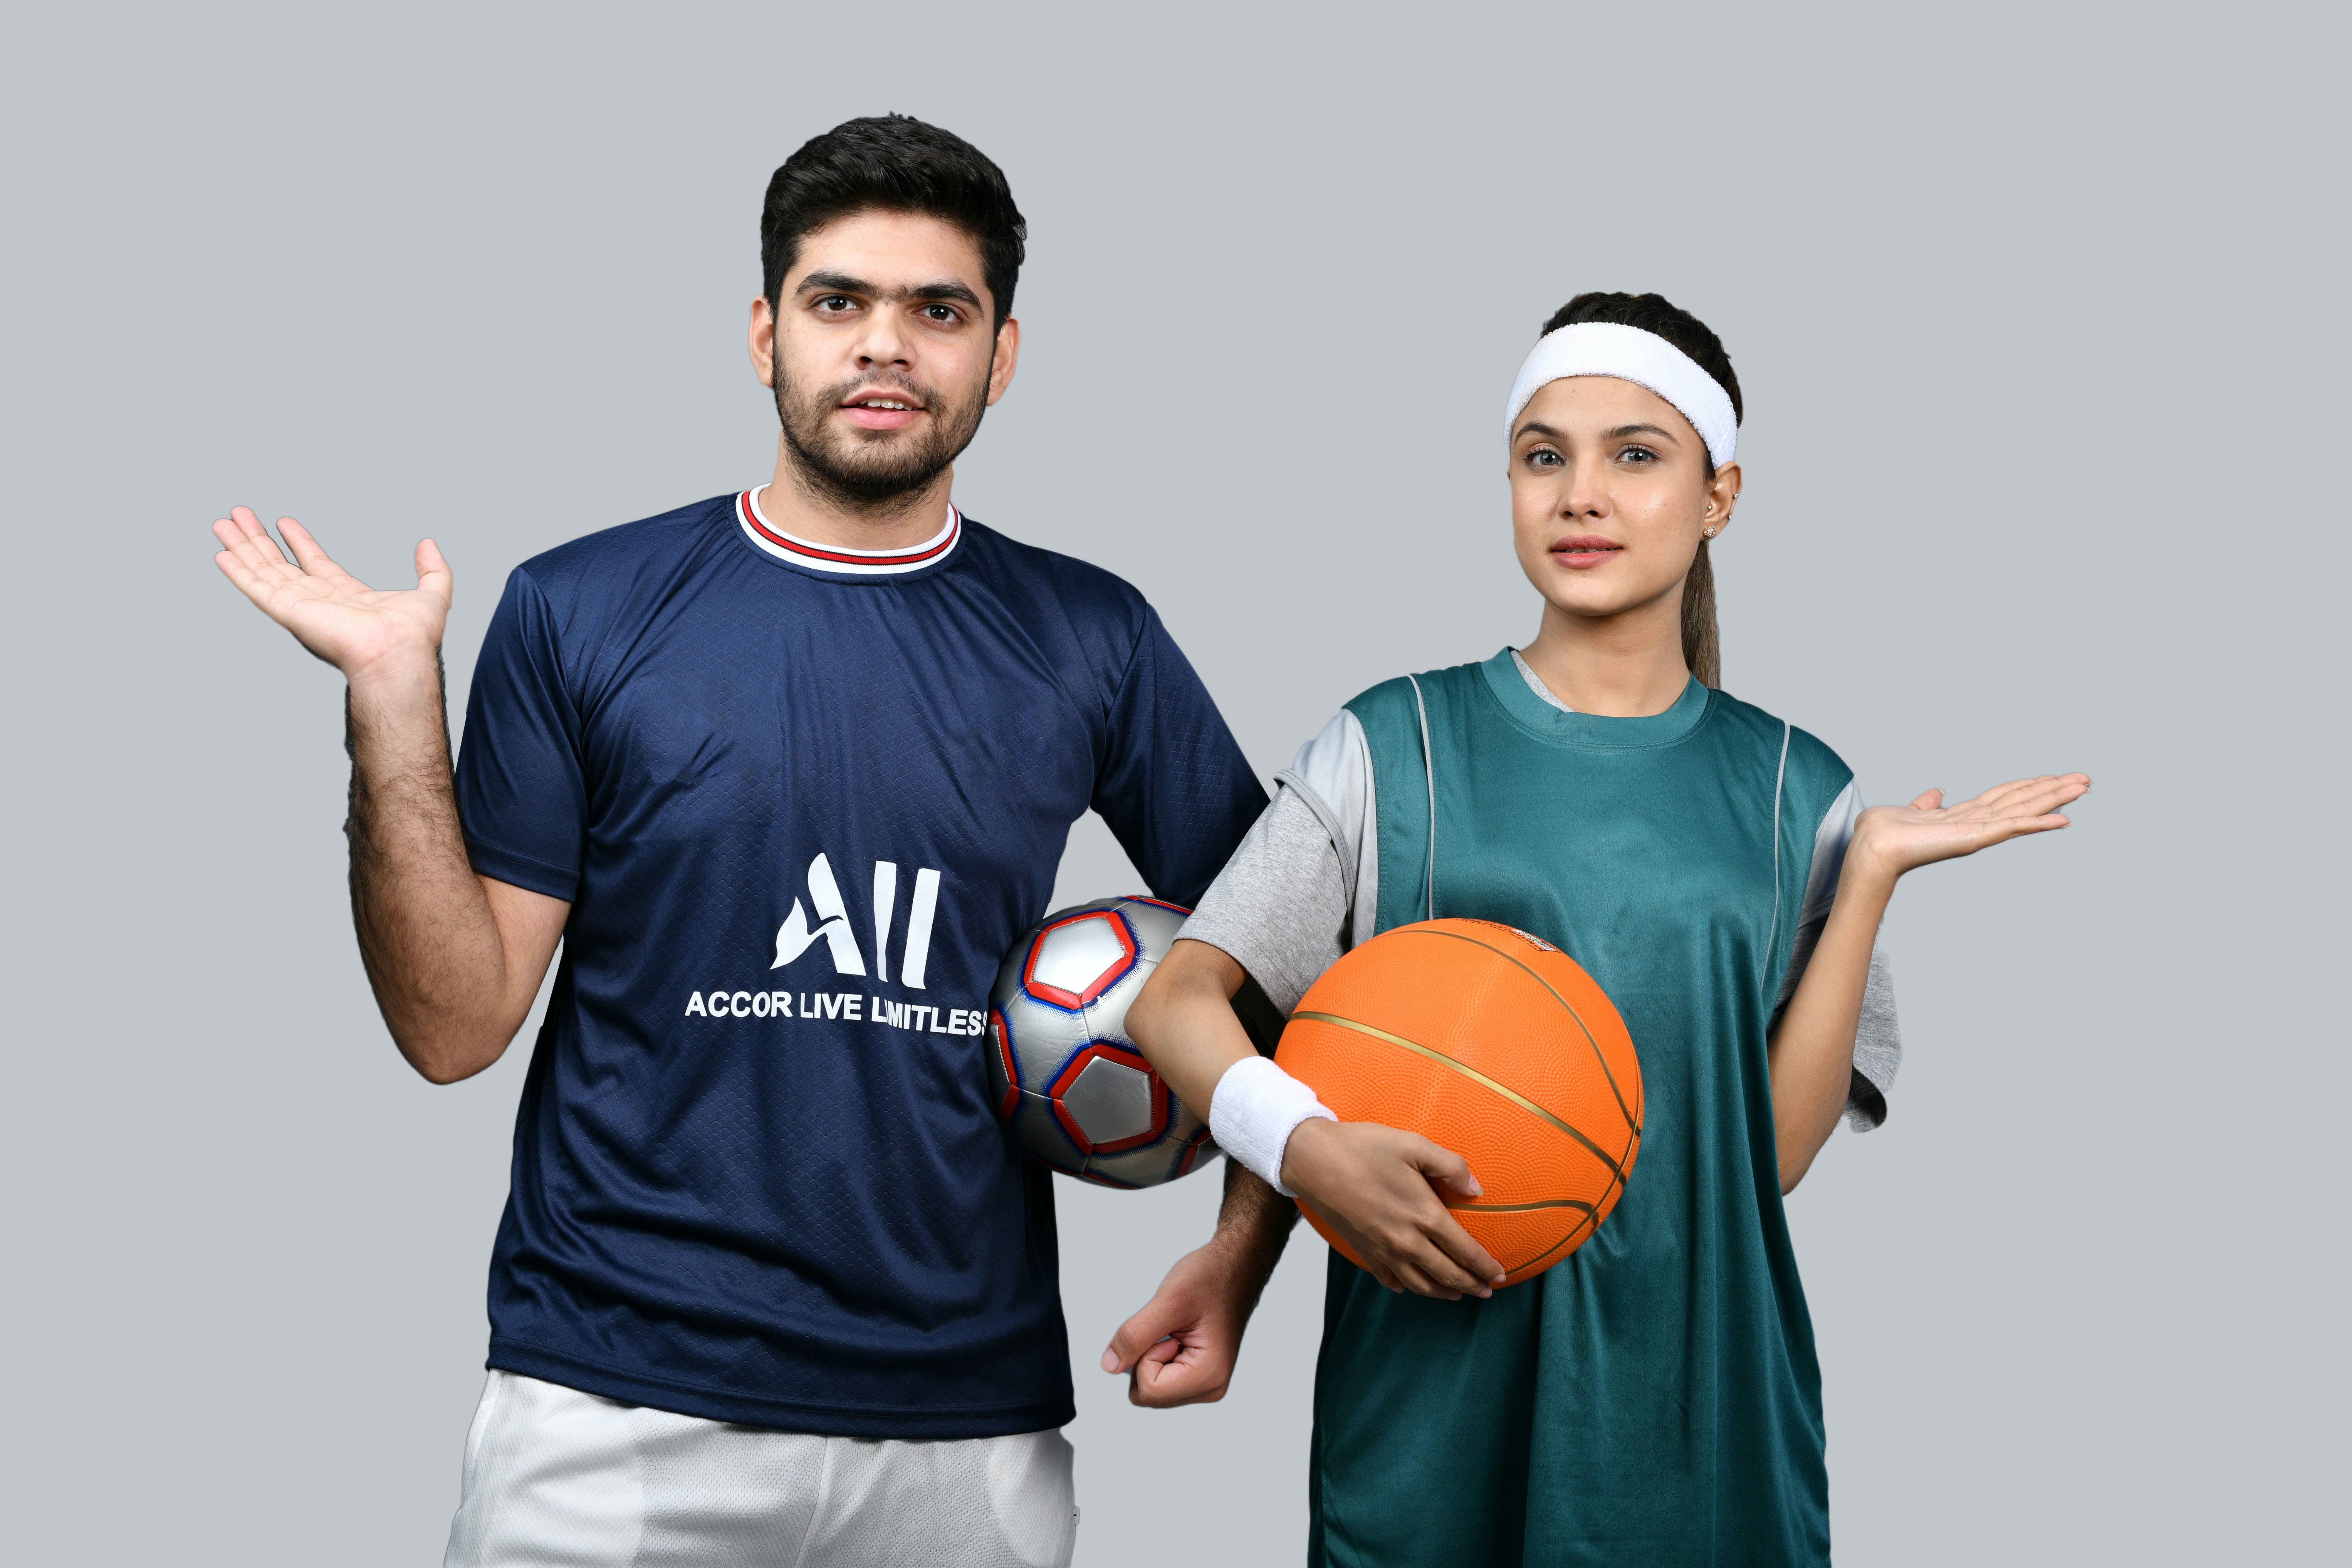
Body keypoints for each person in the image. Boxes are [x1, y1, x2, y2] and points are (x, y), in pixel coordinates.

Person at [212, 114, 1267, 1567]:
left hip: (966, 1425)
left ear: (1000, 356)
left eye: (937, 310)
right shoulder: (581, 607)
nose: (885, 346)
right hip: (610, 1408)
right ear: (766, 333)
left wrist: (1234, 1256)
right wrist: (395, 705)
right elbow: (456, 1027)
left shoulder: (1095, 637)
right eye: (840, 303)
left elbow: (1287, 965)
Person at [1104, 293, 2089, 1564]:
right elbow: (1176, 999)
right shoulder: (1390, 746)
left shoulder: (1804, 791)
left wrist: (1872, 878)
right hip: (1427, 1415)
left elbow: (1768, 1162)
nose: (1581, 493)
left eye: (1635, 455)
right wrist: (1301, 1153)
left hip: (1701, 1419)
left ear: (1718, 495)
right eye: (1542, 455)